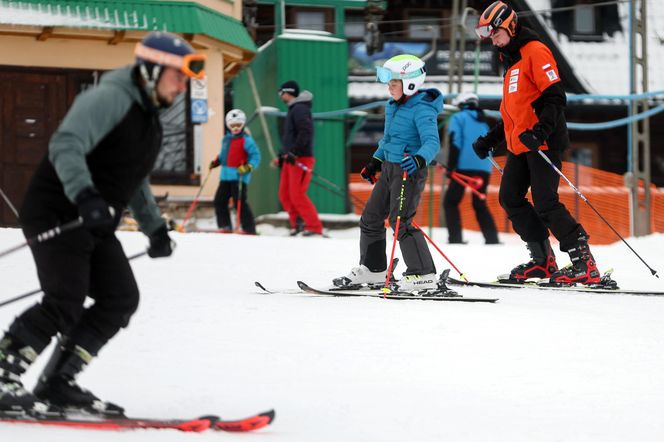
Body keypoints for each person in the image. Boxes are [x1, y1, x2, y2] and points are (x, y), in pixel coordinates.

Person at [0, 31, 205, 415]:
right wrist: (85, 195)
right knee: (65, 299)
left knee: (119, 297)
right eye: (177, 76)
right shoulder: (109, 97)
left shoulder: (148, 117)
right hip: (59, 209)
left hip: (92, 217)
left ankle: (58, 382)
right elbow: (66, 144)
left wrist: (154, 228)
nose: (182, 86)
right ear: (151, 71)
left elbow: (134, 177)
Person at [472, 1, 601, 284]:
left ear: (509, 26)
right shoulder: (511, 60)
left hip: (543, 143)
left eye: (495, 33)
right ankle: (543, 261)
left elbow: (555, 98)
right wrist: (490, 140)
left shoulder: (535, 51)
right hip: (520, 145)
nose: (492, 40)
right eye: (490, 36)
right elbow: (513, 112)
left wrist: (540, 132)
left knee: (545, 202)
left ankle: (584, 263)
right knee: (510, 198)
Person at [333, 54, 443, 292]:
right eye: (389, 82)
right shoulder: (393, 106)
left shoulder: (422, 109)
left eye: (394, 82)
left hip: (409, 170)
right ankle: (374, 270)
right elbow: (388, 141)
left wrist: (419, 158)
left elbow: (433, 142)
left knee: (400, 222)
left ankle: (423, 274)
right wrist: (375, 161)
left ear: (410, 83)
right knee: (371, 218)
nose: (389, 87)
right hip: (389, 169)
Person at [443, 92, 499, 245]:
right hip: (484, 167)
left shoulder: (458, 118)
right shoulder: (484, 121)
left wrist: (450, 166)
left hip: (463, 167)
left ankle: (455, 239)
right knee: (479, 203)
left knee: (451, 202)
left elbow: (455, 143)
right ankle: (492, 239)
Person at [274, 80, 323, 236]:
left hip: (301, 158)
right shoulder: (293, 109)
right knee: (284, 194)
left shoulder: (300, 109)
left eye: (281, 93)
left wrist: (295, 151)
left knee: (297, 194)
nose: (281, 96)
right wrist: (284, 155)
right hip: (291, 159)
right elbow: (291, 136)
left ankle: (314, 227)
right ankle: (298, 224)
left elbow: (305, 131)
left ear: (288, 93)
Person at [209, 109, 261, 234]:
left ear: (243, 125)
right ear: (228, 125)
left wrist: (248, 167)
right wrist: (217, 161)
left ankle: (249, 228)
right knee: (219, 200)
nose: (236, 128)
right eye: (233, 125)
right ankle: (225, 226)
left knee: (240, 202)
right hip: (225, 177)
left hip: (239, 176)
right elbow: (223, 155)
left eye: (238, 125)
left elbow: (256, 156)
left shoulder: (246, 140)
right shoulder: (226, 139)